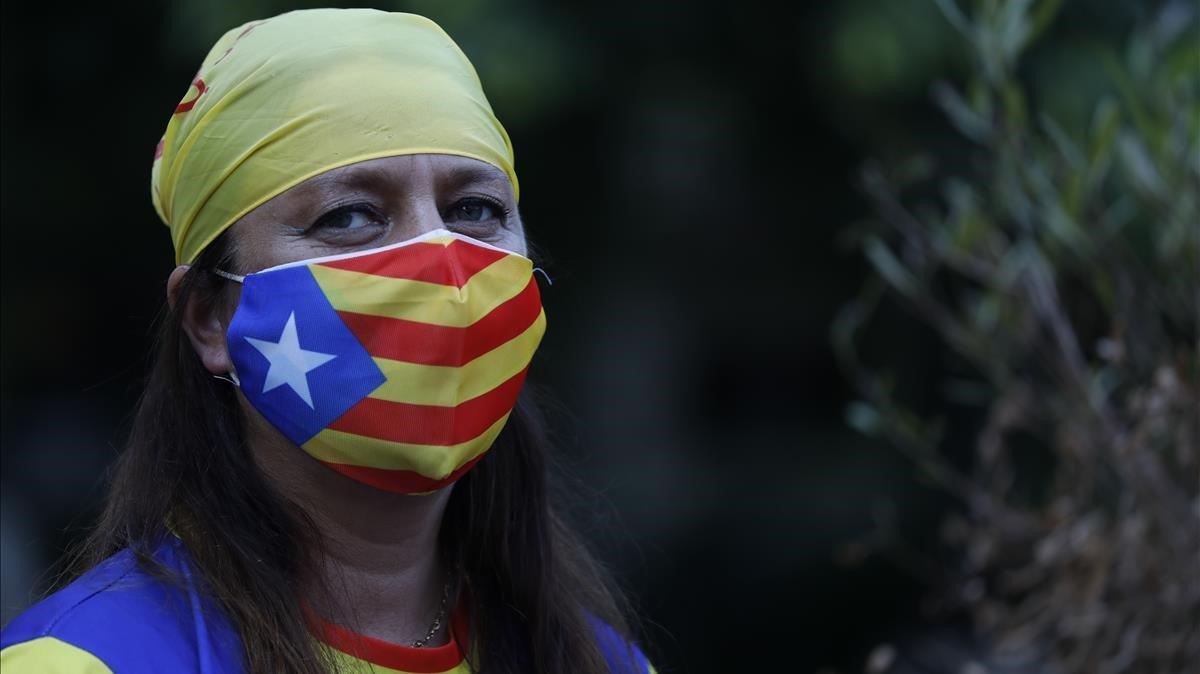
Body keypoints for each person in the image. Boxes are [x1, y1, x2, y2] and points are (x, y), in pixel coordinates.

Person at [0, 9, 654, 674]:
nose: (442, 265)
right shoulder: (84, 662)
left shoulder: (603, 663)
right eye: (350, 216)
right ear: (210, 318)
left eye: (475, 210)